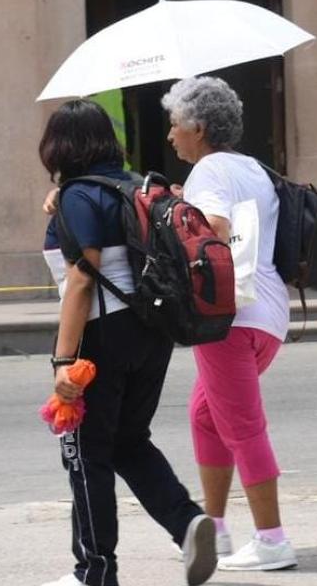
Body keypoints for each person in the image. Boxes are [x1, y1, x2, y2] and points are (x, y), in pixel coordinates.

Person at [36, 99, 217, 586]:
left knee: (85, 454)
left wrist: (64, 360)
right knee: (127, 442)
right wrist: (61, 198)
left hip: (101, 335)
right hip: (150, 333)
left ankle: (94, 572)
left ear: (60, 146)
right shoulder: (136, 185)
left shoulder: (79, 195)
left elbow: (81, 280)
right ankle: (186, 522)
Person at [161, 76, 298, 571]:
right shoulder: (250, 168)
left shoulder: (209, 172)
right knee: (206, 415)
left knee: (242, 426)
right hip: (267, 316)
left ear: (197, 127)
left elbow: (215, 234)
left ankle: (273, 540)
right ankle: (214, 531)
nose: (171, 135)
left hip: (229, 317)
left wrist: (180, 219)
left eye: (175, 124)